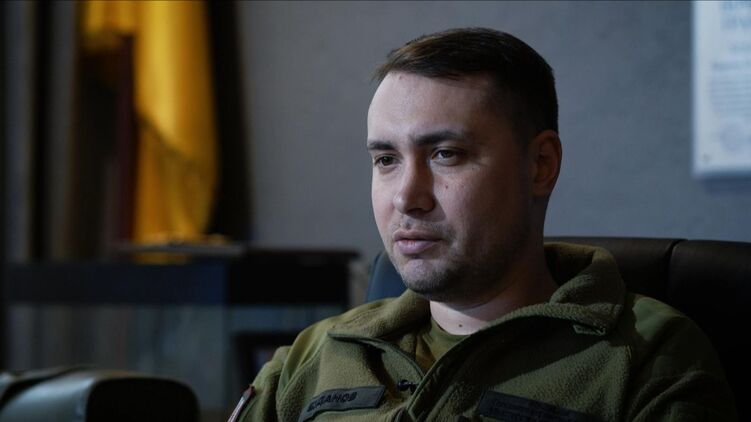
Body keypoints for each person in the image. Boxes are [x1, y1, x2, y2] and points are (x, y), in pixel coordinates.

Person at [230, 28, 736, 422]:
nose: (406, 197)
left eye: (446, 154)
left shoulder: (647, 358)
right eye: (386, 160)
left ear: (540, 166)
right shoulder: (314, 355)